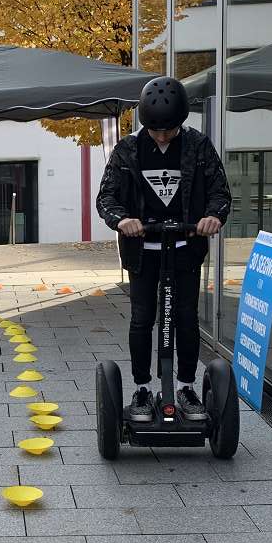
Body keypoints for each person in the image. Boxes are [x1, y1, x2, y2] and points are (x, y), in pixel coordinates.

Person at [96, 75, 232, 421]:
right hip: (143, 249)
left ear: (181, 121)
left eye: (168, 130)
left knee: (185, 317)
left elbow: (219, 191)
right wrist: (122, 220)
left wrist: (213, 216)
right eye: (155, 131)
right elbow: (106, 197)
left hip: (185, 246)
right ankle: (142, 388)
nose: (161, 137)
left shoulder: (198, 146)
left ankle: (185, 386)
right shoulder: (127, 150)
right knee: (142, 318)